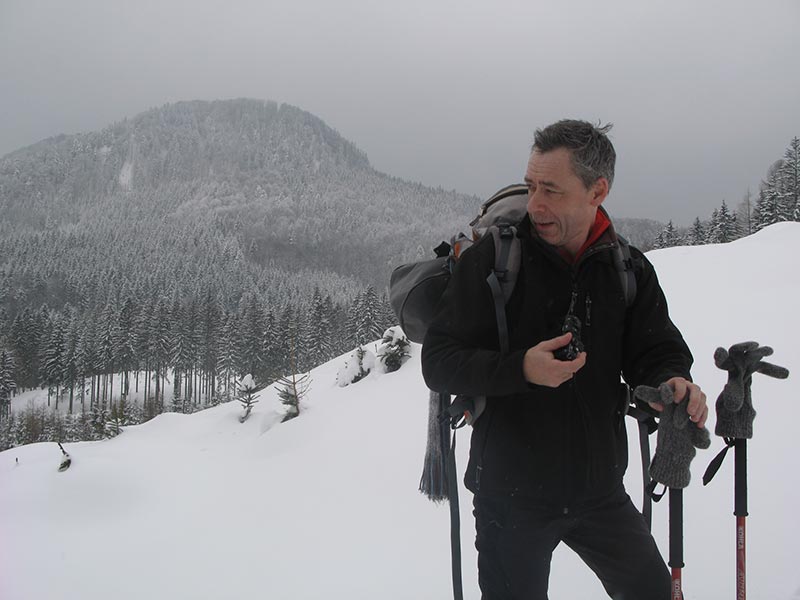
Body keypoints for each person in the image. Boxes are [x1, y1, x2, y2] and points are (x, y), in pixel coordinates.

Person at [421, 119, 708, 600]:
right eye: (532, 186)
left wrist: (672, 381)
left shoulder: (626, 268)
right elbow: (439, 361)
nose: (536, 204)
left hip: (600, 489)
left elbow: (655, 349)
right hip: (510, 496)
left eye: (551, 190)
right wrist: (520, 370)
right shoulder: (495, 260)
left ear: (598, 190)